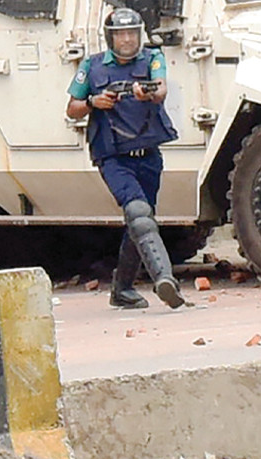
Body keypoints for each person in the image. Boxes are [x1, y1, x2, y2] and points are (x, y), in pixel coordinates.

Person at [65, 8, 185, 310]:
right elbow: (72, 107)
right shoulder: (92, 66)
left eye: (132, 33)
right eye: (121, 34)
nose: (128, 39)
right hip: (112, 155)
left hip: (148, 154)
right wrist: (95, 101)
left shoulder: (152, 58)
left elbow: (160, 89)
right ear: (110, 37)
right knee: (139, 212)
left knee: (140, 222)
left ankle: (122, 289)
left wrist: (147, 94)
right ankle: (165, 279)